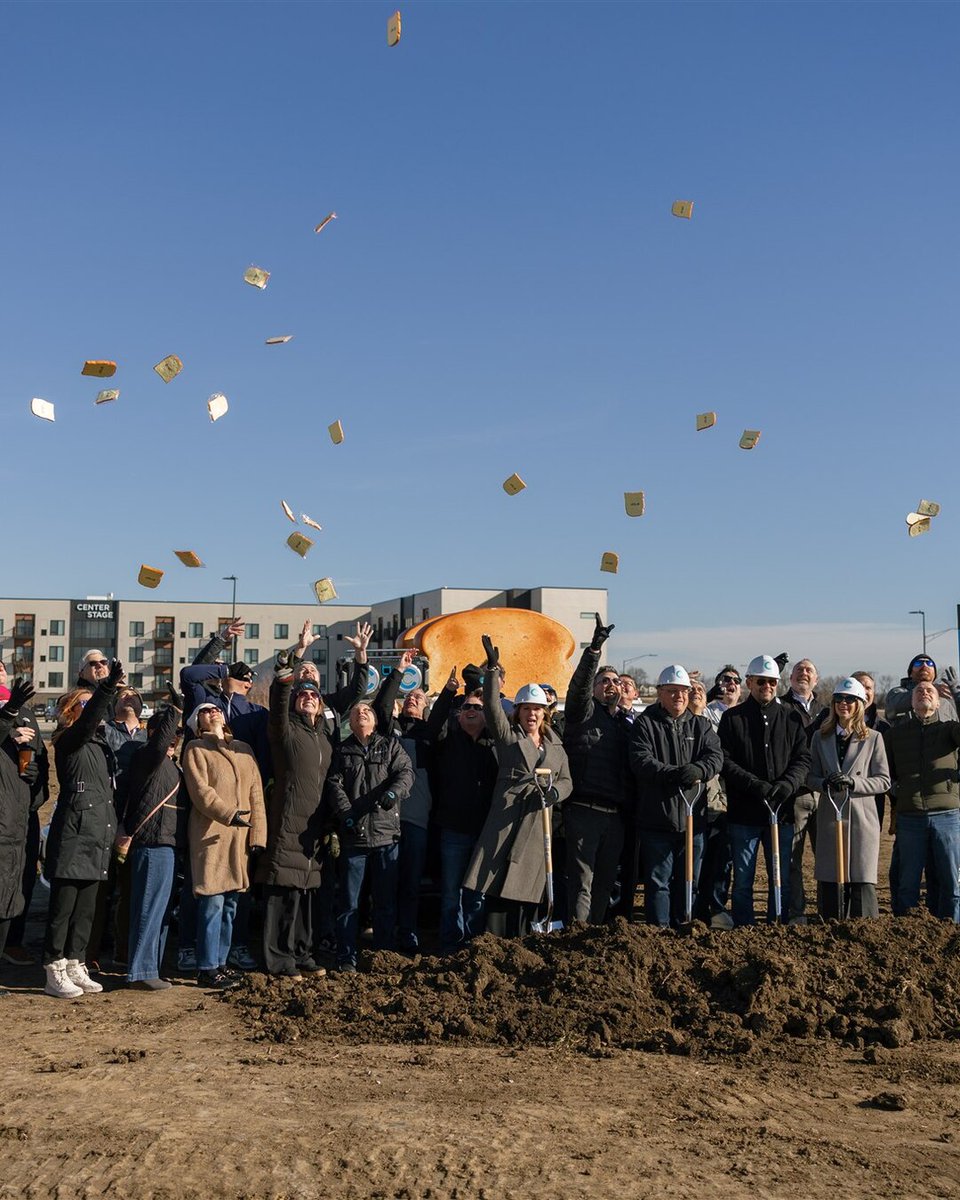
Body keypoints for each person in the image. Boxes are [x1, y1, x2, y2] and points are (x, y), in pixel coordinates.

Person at [463, 636, 573, 936]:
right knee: (498, 887)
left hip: (537, 825)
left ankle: (526, 940)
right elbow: (491, 705)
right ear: (519, 712)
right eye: (526, 709)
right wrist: (493, 671)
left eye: (537, 710)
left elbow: (567, 781)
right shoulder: (509, 736)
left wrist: (554, 793)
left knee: (530, 889)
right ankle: (493, 943)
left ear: (545, 713)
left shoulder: (556, 747)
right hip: (507, 821)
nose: (532, 715)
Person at [43, 659, 125, 998]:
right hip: (74, 831)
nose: (95, 711)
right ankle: (54, 968)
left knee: (87, 908)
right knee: (63, 907)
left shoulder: (101, 746)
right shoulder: (69, 739)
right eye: (86, 705)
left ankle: (76, 963)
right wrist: (105, 689)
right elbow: (87, 721)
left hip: (97, 833)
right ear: (71, 710)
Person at [718, 653, 810, 926]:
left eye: (771, 682)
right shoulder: (733, 719)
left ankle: (775, 925)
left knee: (779, 876)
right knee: (744, 878)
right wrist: (753, 784)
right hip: (744, 813)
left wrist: (788, 784)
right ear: (749, 682)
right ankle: (745, 927)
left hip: (780, 813)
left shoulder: (791, 718)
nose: (766, 686)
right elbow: (725, 760)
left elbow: (802, 758)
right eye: (761, 681)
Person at [181, 702, 267, 989]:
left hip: (240, 838)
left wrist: (258, 836)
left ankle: (221, 962)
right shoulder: (195, 748)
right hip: (212, 835)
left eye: (216, 708)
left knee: (231, 903)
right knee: (213, 901)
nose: (212, 712)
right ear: (197, 723)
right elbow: (201, 792)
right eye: (204, 711)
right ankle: (206, 967)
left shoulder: (243, 748)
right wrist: (229, 814)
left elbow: (256, 794)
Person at [254, 653, 330, 979]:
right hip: (287, 823)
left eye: (314, 694)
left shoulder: (325, 738)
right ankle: (278, 959)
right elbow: (279, 701)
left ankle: (302, 953)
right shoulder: (284, 730)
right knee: (283, 894)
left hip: (313, 831)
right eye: (303, 694)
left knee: (305, 897)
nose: (308, 698)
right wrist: (286, 676)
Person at [629, 666, 723, 926]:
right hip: (657, 818)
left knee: (689, 880)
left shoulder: (700, 724)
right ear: (660, 693)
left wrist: (699, 770)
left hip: (694, 821)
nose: (679, 696)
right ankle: (659, 932)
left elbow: (715, 757)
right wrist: (674, 775)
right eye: (672, 691)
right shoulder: (645, 724)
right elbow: (641, 761)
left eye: (684, 691)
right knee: (658, 882)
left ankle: (685, 927)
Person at [325, 701, 414, 971]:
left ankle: (383, 955)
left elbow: (406, 773)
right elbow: (334, 784)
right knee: (349, 902)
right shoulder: (341, 751)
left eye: (366, 711)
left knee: (385, 902)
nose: (360, 713)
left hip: (387, 836)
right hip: (355, 838)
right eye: (355, 712)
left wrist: (392, 794)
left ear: (375, 721)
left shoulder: (389, 746)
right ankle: (346, 957)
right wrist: (346, 813)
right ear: (350, 723)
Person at [561, 615, 631, 924]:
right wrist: (594, 652)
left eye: (616, 681)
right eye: (604, 681)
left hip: (614, 816)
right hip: (584, 811)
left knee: (605, 883)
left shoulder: (626, 724)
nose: (611, 686)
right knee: (582, 884)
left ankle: (595, 937)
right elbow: (577, 689)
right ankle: (577, 937)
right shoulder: (583, 712)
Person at [427, 672, 498, 954]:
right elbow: (431, 727)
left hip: (483, 830)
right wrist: (447, 693)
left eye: (477, 708)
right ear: (458, 715)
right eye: (466, 707)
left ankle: (474, 943)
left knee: (477, 894)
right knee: (450, 893)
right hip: (453, 830)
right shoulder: (447, 741)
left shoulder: (495, 745)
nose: (471, 711)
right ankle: (449, 943)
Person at [808, 677, 890, 918]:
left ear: (860, 704)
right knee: (831, 876)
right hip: (830, 815)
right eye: (839, 699)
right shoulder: (820, 737)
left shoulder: (873, 738)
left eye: (850, 699)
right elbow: (809, 776)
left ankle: (864, 927)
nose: (843, 704)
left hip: (861, 817)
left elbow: (883, 780)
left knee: (860, 877)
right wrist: (823, 783)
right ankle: (830, 924)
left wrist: (854, 782)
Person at [125, 697, 189, 989]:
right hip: (152, 842)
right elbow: (159, 742)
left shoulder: (171, 766)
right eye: (169, 733)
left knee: (160, 911)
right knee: (148, 909)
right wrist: (175, 712)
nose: (174, 739)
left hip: (167, 843)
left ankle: (152, 967)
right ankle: (141, 971)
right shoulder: (145, 756)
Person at [884, 681, 960, 922]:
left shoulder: (949, 730)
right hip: (910, 817)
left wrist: (958, 696)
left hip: (947, 816)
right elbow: (886, 770)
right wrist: (898, 789)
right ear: (911, 702)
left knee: (951, 881)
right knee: (908, 882)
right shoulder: (896, 734)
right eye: (918, 691)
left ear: (939, 703)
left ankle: (952, 932)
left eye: (930, 691)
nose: (924, 693)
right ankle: (907, 932)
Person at [0, 659, 48, 966]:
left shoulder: (26, 712)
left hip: (22, 811)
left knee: (21, 879)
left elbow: (40, 756)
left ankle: (12, 941)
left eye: (1, 667)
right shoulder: (11, 711)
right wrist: (8, 727)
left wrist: (34, 778)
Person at [780, 659, 828, 925]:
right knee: (792, 858)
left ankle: (825, 910)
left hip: (822, 793)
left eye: (810, 670)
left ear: (817, 679)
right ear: (790, 678)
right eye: (799, 670)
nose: (804, 673)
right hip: (794, 795)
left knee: (826, 857)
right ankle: (796, 912)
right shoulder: (782, 707)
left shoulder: (827, 711)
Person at [694, 666, 742, 928]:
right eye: (725, 680)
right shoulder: (707, 713)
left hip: (731, 796)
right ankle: (697, 907)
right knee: (700, 856)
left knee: (724, 859)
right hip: (705, 795)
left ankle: (717, 906)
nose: (730, 684)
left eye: (735, 681)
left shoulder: (743, 716)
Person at [0, 678, 36, 971]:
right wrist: (10, 713)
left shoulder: (19, 737)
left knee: (10, 896)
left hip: (17, 825)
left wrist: (32, 771)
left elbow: (37, 772)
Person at [885, 653, 958, 723]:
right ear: (910, 673)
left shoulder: (946, 700)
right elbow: (892, 708)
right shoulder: (897, 693)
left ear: (935, 674)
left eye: (929, 663)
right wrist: (931, 690)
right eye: (918, 663)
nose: (924, 665)